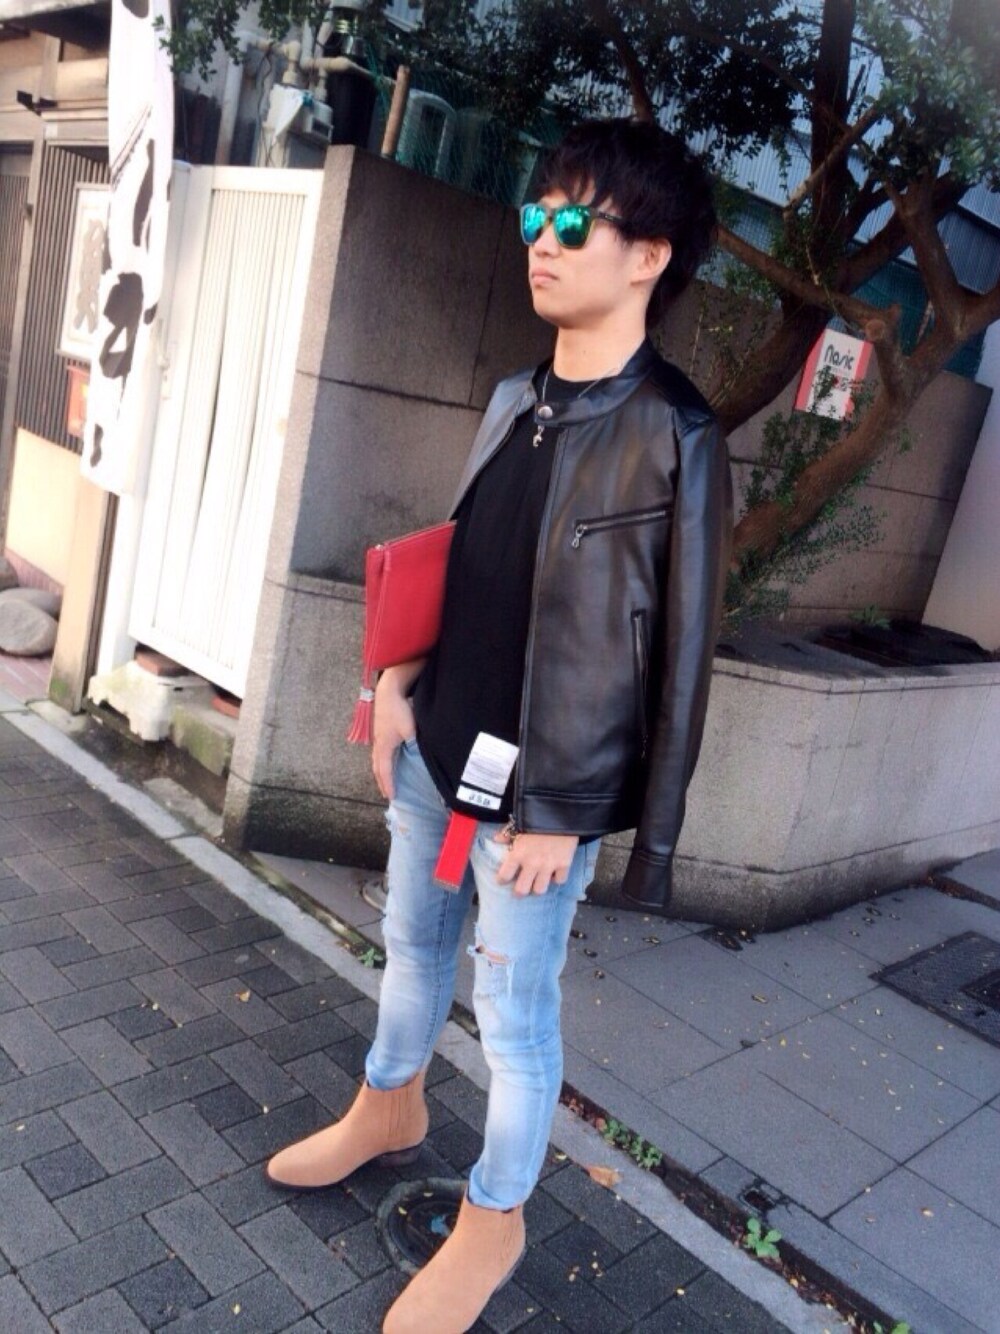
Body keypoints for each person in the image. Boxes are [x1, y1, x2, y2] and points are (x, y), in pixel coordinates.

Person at [265, 116, 734, 1333]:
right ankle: (388, 1105)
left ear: (649, 256)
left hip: (539, 802)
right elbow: (458, 558)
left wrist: (582, 817)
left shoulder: (675, 432)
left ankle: (494, 1217)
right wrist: (395, 684)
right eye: (535, 214)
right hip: (438, 747)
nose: (542, 239)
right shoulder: (514, 395)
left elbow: (676, 660)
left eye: (573, 221)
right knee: (412, 947)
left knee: (516, 1019)